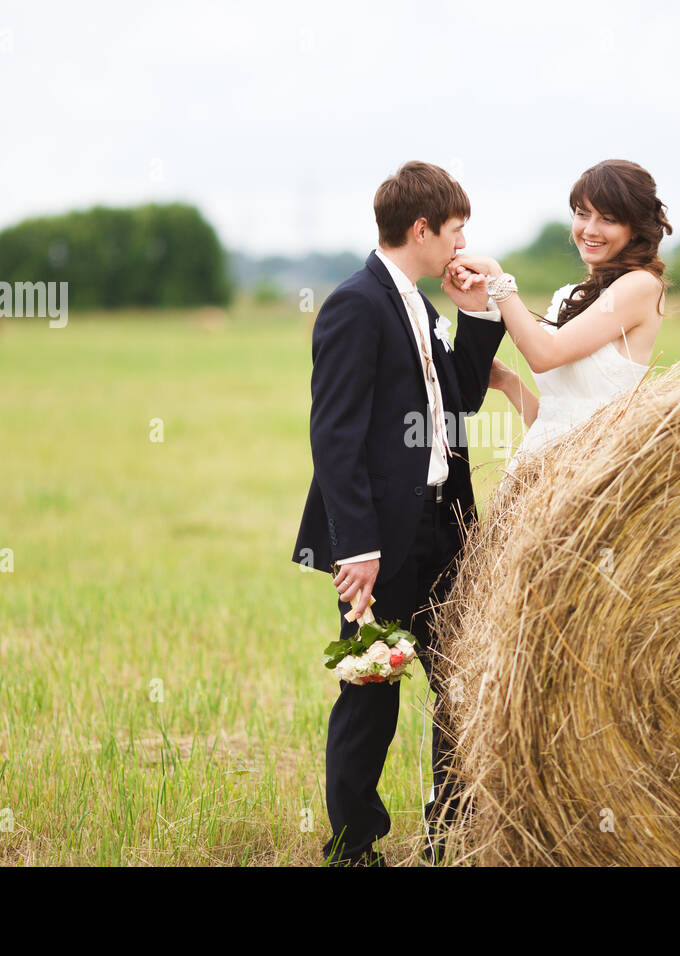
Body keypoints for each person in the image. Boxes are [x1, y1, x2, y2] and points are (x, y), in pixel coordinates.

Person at [290, 161, 506, 865]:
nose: (463, 241)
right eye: (455, 229)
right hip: (381, 542)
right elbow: (335, 434)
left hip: (448, 529)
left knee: (465, 685)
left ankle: (452, 832)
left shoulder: (422, 304)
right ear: (422, 229)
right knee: (373, 689)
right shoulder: (357, 304)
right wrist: (356, 545)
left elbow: (462, 402)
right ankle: (353, 848)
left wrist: (476, 312)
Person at [447, 159, 672, 472]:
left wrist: (499, 280)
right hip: (547, 478)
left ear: (634, 228)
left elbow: (545, 355)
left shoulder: (642, 285)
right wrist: (509, 382)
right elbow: (556, 420)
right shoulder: (571, 296)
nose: (589, 229)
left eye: (608, 218)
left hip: (595, 480)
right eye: (582, 213)